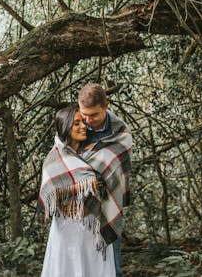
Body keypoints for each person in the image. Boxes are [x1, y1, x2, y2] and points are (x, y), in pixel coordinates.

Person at [39, 106, 124, 277]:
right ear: (65, 126)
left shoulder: (94, 152)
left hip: (93, 226)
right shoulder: (54, 159)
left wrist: (85, 199)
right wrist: (77, 192)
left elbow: (105, 181)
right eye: (76, 123)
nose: (83, 126)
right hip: (66, 229)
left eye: (83, 122)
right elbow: (48, 193)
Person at [78, 83, 132, 277]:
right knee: (80, 264)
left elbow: (110, 169)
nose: (88, 120)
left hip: (107, 204)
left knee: (111, 265)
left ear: (106, 106)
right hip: (75, 206)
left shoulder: (120, 132)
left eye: (94, 115)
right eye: (85, 114)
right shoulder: (76, 123)